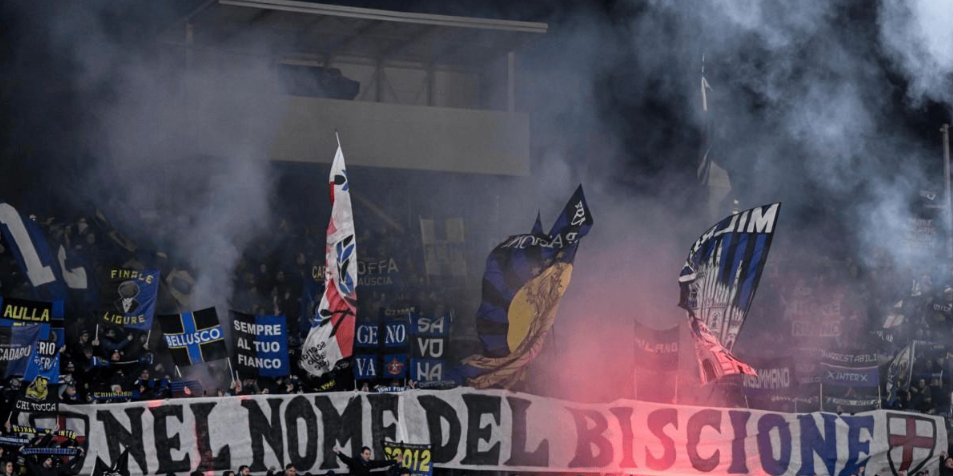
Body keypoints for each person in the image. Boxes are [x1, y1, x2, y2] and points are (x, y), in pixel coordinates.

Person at [333, 446, 400, 476]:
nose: (368, 455)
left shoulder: (370, 463)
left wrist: (396, 461)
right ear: (362, 454)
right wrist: (338, 452)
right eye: (366, 454)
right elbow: (346, 459)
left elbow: (381, 463)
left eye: (369, 454)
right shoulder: (355, 461)